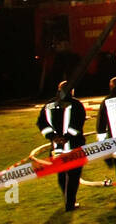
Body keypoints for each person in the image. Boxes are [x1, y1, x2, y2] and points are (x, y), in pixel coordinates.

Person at [37, 81, 86, 211]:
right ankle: (70, 203)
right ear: (71, 91)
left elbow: (41, 124)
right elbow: (78, 124)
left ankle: (67, 200)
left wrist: (53, 137)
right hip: (74, 147)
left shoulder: (48, 105)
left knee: (61, 175)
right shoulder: (76, 104)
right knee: (74, 176)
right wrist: (66, 138)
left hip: (56, 149)